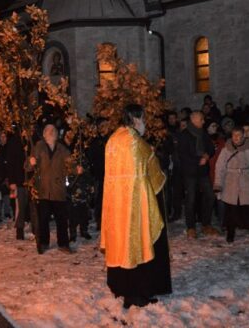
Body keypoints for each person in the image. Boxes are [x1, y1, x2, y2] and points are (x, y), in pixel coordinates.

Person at [101, 104, 171, 309]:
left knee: (120, 244)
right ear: (136, 119)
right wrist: (162, 174)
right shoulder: (136, 142)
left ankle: (120, 286)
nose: (145, 124)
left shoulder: (112, 140)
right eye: (144, 119)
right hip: (134, 206)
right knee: (137, 245)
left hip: (116, 205)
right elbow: (154, 175)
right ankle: (137, 293)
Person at [214, 127, 249, 243]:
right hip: (231, 182)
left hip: (248, 181)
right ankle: (230, 232)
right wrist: (218, 183)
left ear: (243, 136)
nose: (236, 138)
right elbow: (220, 167)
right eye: (234, 135)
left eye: (239, 135)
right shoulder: (226, 150)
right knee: (231, 209)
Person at [27, 124, 73, 254]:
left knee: (61, 219)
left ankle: (63, 244)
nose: (52, 132)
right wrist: (30, 163)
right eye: (48, 130)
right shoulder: (38, 147)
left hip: (58, 190)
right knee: (43, 219)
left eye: (54, 130)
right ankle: (43, 242)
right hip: (43, 189)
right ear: (44, 134)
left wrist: (76, 169)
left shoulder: (63, 149)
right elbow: (27, 166)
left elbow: (71, 164)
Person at [178, 111, 220, 239]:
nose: (203, 121)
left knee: (210, 196)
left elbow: (211, 148)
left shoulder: (204, 133)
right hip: (190, 172)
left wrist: (207, 156)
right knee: (190, 199)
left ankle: (206, 224)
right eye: (201, 119)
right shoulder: (184, 135)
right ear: (194, 119)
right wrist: (198, 160)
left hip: (202, 171)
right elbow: (182, 155)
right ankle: (190, 227)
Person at [67, 163, 94, 242]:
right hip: (73, 200)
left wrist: (90, 194)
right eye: (78, 167)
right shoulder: (69, 176)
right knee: (73, 219)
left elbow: (91, 185)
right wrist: (77, 175)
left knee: (84, 217)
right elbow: (69, 186)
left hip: (84, 199)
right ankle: (73, 234)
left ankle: (84, 231)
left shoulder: (87, 176)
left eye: (81, 167)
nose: (80, 168)